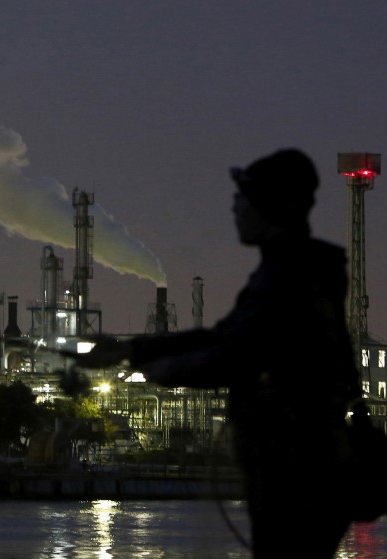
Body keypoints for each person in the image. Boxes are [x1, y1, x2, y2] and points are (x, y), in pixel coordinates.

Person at [72, 149, 359, 558]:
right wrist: (130, 349)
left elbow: (234, 354)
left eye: (244, 198)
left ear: (270, 206)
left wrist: (160, 370)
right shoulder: (302, 268)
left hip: (294, 468)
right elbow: (225, 335)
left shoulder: (285, 277)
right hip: (311, 463)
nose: (235, 207)